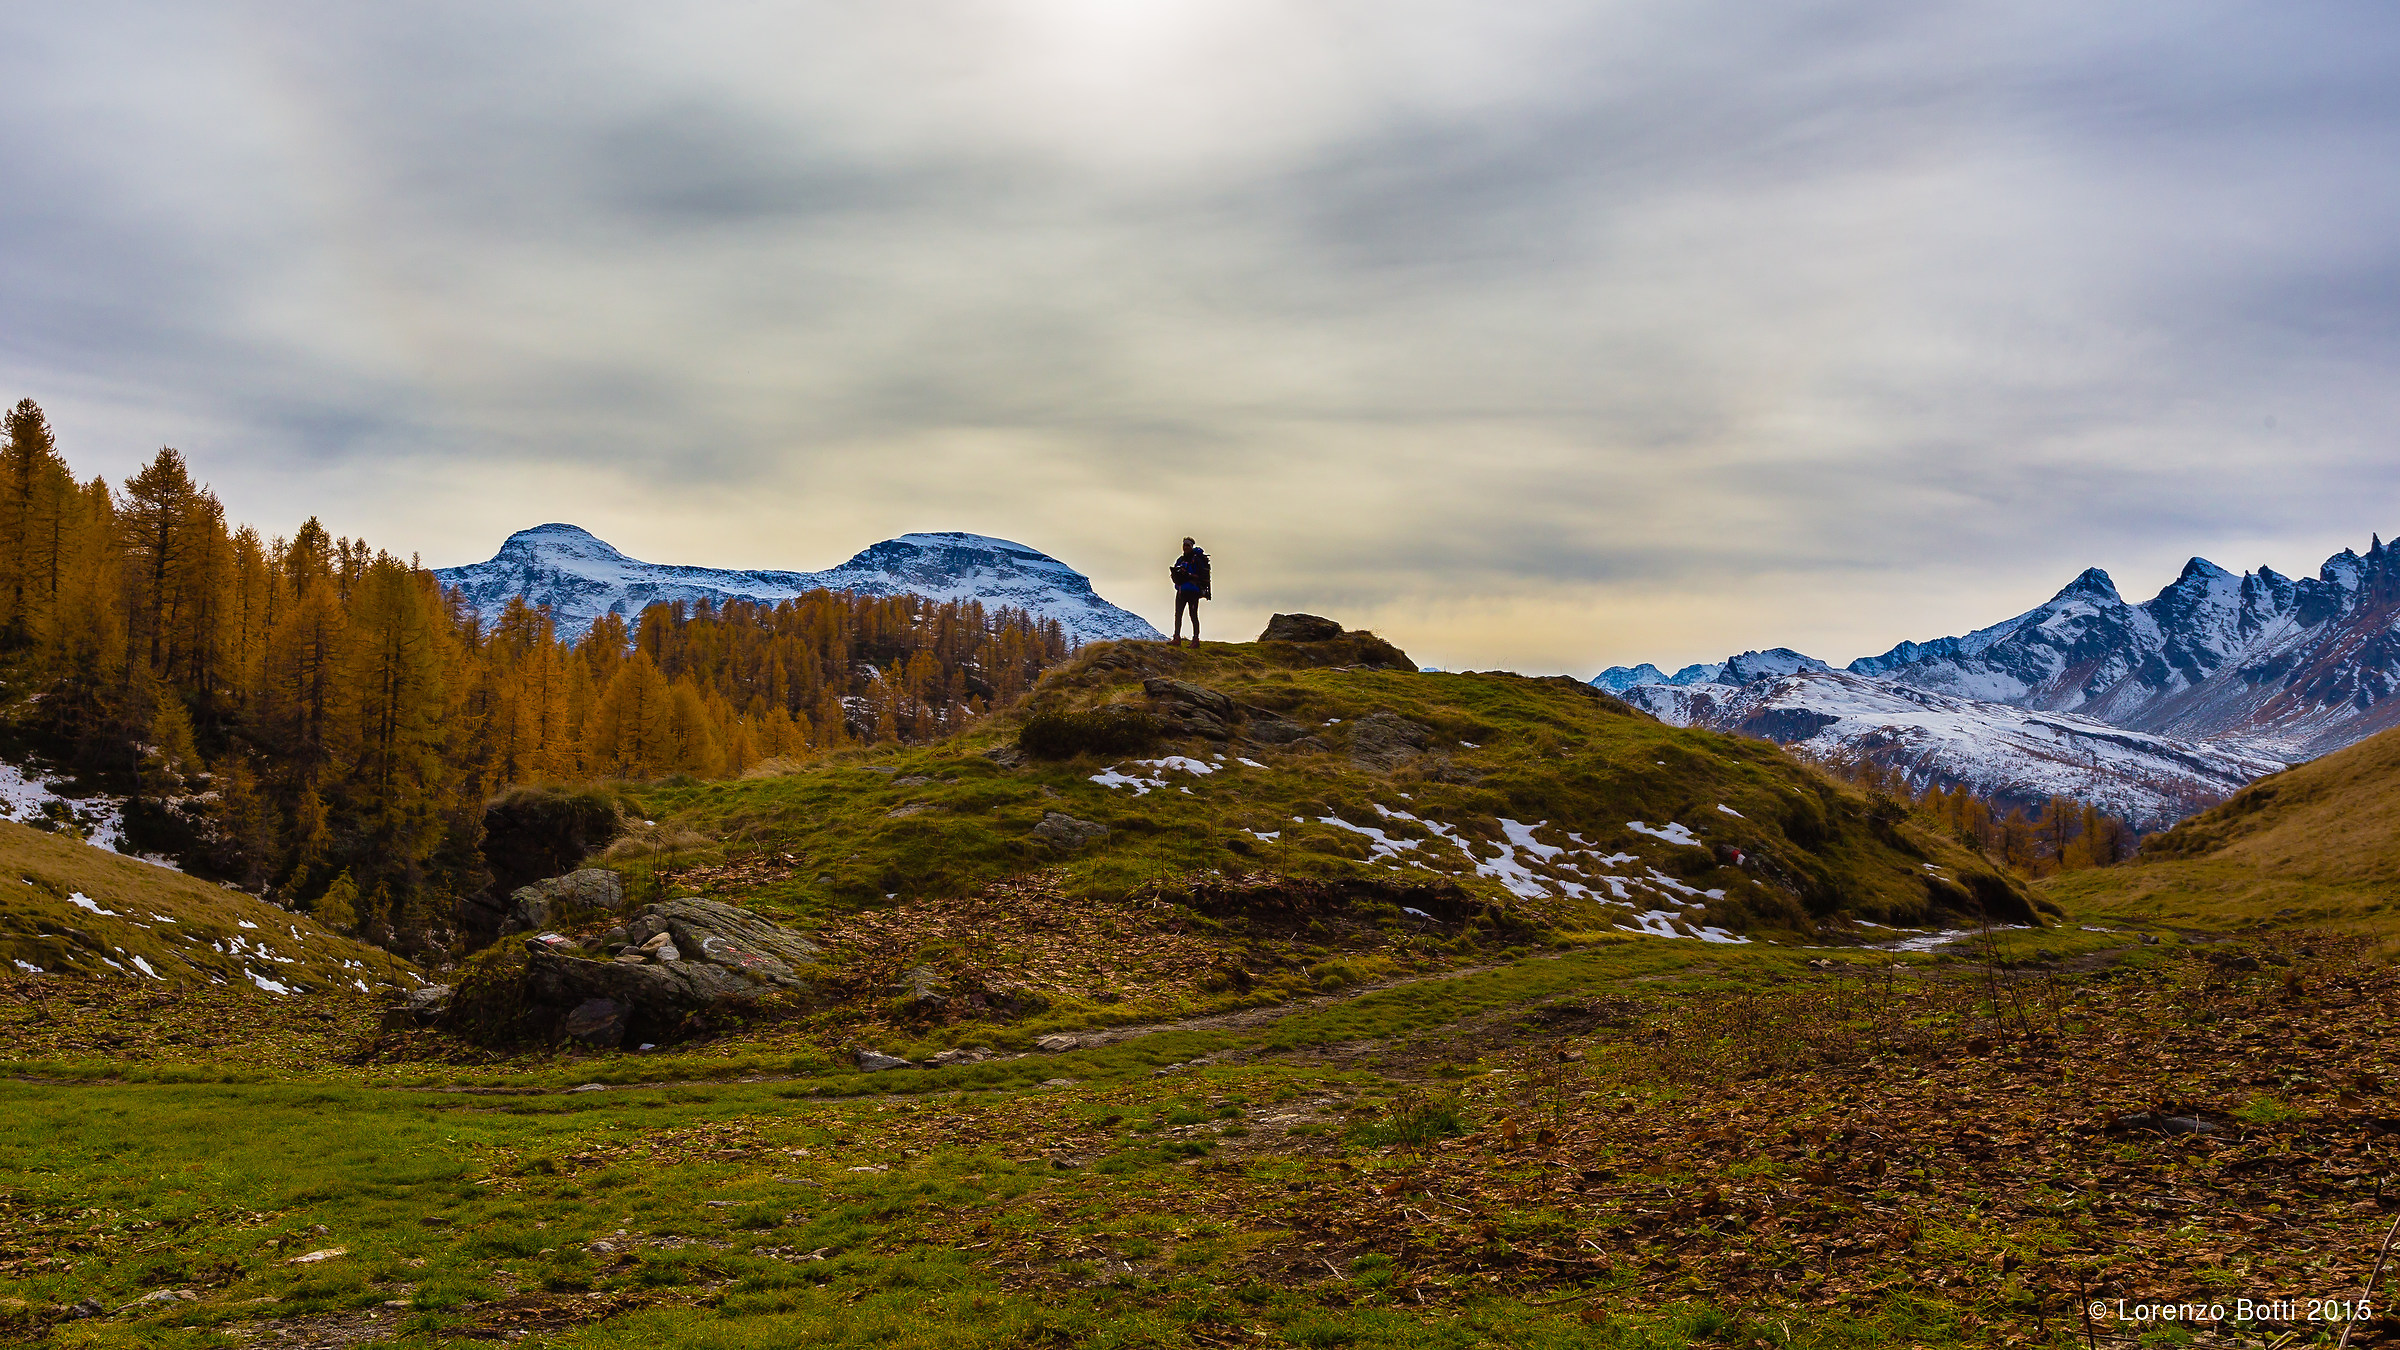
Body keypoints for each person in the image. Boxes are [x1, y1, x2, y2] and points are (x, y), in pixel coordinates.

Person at [1169, 537, 1211, 646]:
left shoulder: (1196, 560)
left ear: (1191, 546)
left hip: (1193, 592)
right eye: (1184, 545)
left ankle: (1195, 640)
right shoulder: (1180, 560)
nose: (1185, 547)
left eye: (1188, 545)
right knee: (1178, 615)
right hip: (1181, 591)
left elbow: (1201, 576)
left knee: (1193, 615)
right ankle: (1177, 638)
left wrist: (1188, 575)